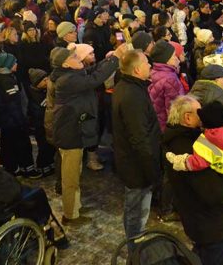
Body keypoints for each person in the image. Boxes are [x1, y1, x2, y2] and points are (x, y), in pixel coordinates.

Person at [162, 96, 223, 265]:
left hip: (199, 222)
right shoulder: (190, 147)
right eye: (199, 113)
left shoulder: (175, 140)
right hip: (213, 227)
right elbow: (215, 193)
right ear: (188, 117)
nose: (204, 118)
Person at [51, 44, 124, 225]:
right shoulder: (67, 80)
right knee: (71, 178)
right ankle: (70, 215)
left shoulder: (72, 74)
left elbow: (93, 70)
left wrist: (109, 58)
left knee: (76, 172)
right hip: (70, 134)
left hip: (75, 131)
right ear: (66, 65)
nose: (79, 60)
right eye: (74, 58)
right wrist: (115, 60)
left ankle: (75, 206)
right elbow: (95, 79)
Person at [166, 100, 223, 227]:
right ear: (187, 117)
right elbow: (215, 192)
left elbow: (198, 162)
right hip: (212, 220)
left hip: (209, 218)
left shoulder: (205, 141)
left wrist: (183, 162)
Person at [112, 50, 162, 246]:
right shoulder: (132, 95)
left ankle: (136, 241)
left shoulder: (129, 87)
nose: (151, 66)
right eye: (147, 63)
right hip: (136, 165)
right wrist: (153, 172)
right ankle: (135, 247)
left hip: (134, 162)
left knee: (136, 207)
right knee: (136, 209)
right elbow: (139, 137)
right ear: (137, 69)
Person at [148, 40, 185, 132]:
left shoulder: (154, 71)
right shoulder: (170, 79)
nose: (177, 59)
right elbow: (173, 110)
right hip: (166, 127)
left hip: (156, 123)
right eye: (173, 56)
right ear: (166, 60)